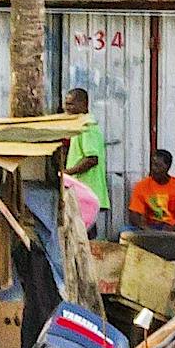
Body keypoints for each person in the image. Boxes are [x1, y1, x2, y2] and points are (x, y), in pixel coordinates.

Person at [126, 149, 175, 249]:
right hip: (149, 228)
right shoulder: (142, 186)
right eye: (153, 165)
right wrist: (146, 229)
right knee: (125, 231)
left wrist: (172, 229)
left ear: (167, 167)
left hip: (174, 228)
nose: (154, 169)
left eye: (158, 166)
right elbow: (134, 215)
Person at [61, 86, 110, 236]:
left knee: (83, 234)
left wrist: (66, 173)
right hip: (82, 191)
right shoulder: (79, 126)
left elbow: (91, 159)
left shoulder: (87, 127)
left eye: (71, 104)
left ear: (84, 104)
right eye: (66, 103)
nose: (66, 108)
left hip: (87, 190)